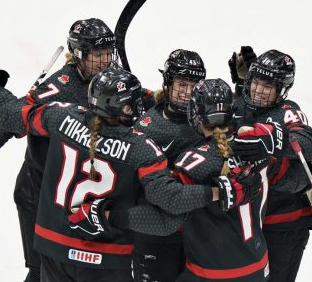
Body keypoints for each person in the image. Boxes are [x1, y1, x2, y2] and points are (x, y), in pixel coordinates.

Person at [0, 64, 237, 281]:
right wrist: (215, 191)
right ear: (124, 109)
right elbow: (168, 211)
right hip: (105, 260)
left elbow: (10, 114)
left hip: (53, 247)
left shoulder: (62, 116)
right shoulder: (142, 149)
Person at [0, 18, 154, 282]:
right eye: (97, 55)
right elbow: (13, 117)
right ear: (79, 54)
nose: (105, 61)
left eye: (108, 53)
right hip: (39, 195)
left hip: (82, 196)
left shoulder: (112, 82)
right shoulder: (58, 89)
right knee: (41, 271)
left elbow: (146, 104)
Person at [105, 78, 286, 281]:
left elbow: (166, 217)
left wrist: (112, 215)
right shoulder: (259, 147)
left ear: (196, 114)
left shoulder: (197, 162)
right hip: (258, 269)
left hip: (210, 273)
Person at [229, 49, 312, 282]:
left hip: (286, 222)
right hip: (252, 221)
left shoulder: (287, 111)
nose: (258, 91)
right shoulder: (240, 104)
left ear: (282, 90)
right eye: (256, 82)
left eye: (268, 87)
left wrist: (276, 140)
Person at [131, 49, 206, 282]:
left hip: (199, 234)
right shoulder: (145, 126)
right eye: (182, 84)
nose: (187, 92)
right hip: (155, 234)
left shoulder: (208, 122)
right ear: (168, 83)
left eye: (193, 85)